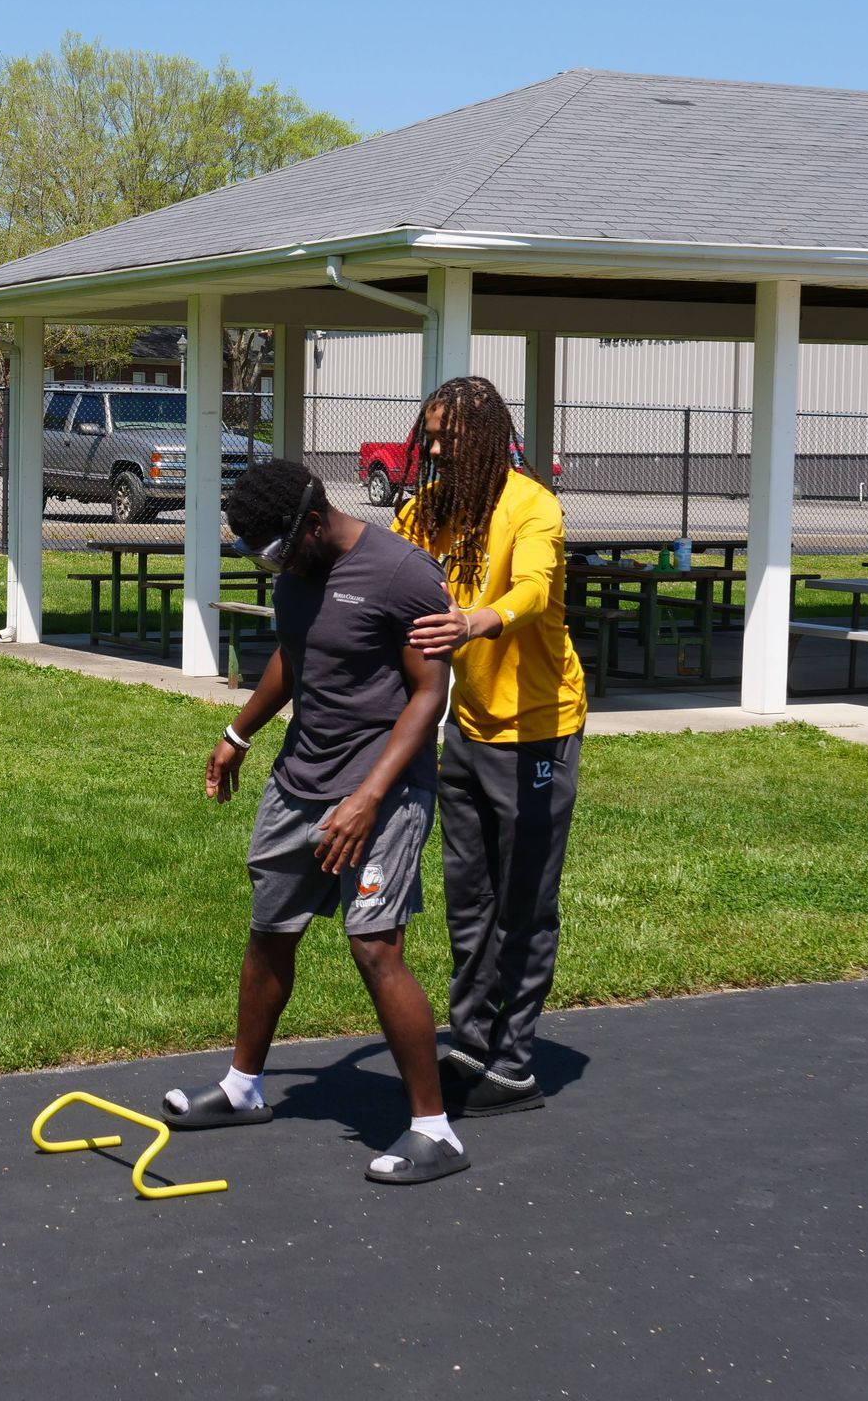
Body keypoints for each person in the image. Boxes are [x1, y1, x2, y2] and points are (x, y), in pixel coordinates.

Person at [165, 459, 468, 1185]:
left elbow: (431, 693)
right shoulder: (293, 571)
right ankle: (243, 1088)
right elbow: (295, 661)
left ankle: (435, 1130)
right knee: (270, 931)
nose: (270, 564)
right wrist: (238, 736)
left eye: (272, 548)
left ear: (309, 521)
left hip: (382, 792)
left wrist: (366, 799)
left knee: (375, 948)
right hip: (299, 781)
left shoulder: (403, 576)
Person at [393, 375, 587, 1117]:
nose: (435, 446)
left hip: (538, 728)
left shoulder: (532, 506)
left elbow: (534, 593)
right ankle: (472, 1040)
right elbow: (385, 566)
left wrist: (473, 623)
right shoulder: (431, 512)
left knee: (525, 899)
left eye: (447, 435)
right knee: (468, 897)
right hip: (467, 730)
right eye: (430, 434)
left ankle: (514, 1063)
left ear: (485, 437)